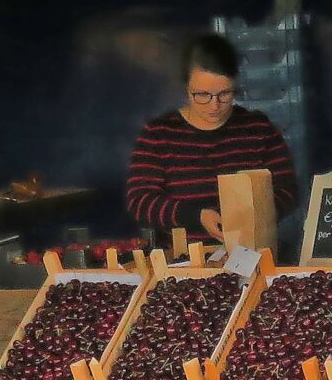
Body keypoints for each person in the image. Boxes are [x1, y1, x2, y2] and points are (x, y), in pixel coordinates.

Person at [123, 34, 298, 244]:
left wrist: (254, 213)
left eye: (224, 94)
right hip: (183, 263)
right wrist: (196, 216)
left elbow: (288, 189)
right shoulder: (158, 134)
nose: (214, 106)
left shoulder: (258, 128)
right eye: (202, 95)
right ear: (186, 88)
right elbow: (140, 200)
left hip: (253, 252)